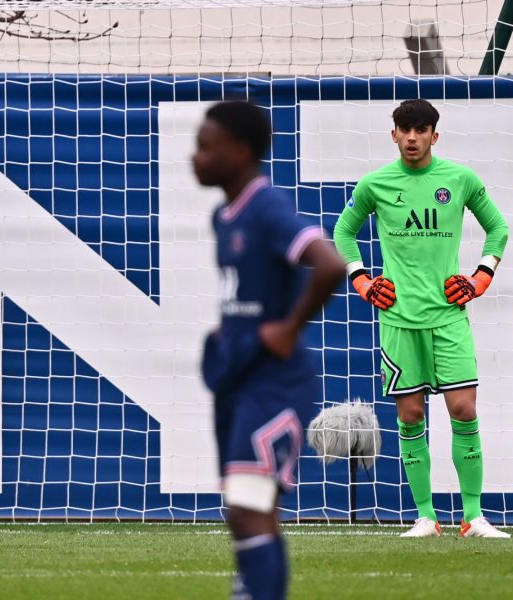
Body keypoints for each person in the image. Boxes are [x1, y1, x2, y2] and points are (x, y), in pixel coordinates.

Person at [332, 99, 510, 538]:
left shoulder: (460, 179)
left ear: (435, 134)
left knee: (463, 409)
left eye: (421, 129)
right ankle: (426, 517)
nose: (412, 137)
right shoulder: (375, 184)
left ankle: (474, 517)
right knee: (411, 417)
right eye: (404, 129)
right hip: (398, 320)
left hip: (448, 317)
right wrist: (362, 281)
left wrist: (480, 277)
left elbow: (499, 228)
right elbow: (342, 231)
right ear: (393, 134)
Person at [193, 100, 345, 599]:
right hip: (238, 376)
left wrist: (288, 328)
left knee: (247, 508)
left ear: (238, 151)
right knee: (245, 508)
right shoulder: (224, 216)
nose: (195, 157)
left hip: (275, 381)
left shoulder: (266, 207)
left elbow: (329, 264)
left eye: (205, 146)